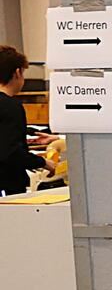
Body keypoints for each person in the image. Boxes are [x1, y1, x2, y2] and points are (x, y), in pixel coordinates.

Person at [0, 46, 55, 196]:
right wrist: (43, 163)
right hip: (7, 185)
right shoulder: (10, 107)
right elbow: (10, 153)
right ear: (17, 72)